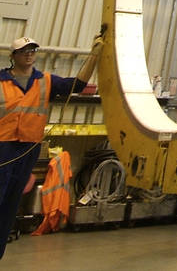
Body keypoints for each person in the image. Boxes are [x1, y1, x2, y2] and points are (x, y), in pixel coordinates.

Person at [0, 35, 102, 257]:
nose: (29, 54)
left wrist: (94, 55)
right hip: (2, 148)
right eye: (24, 50)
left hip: (27, 149)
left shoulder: (45, 81)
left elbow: (78, 84)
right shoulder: (0, 80)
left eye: (32, 50)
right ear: (13, 56)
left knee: (10, 204)